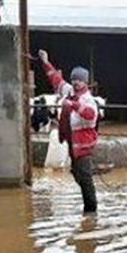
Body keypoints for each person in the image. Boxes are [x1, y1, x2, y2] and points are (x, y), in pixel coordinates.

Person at [38, 49, 99, 214]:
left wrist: (74, 105)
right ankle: (89, 213)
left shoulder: (88, 99)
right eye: (74, 79)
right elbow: (56, 80)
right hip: (72, 142)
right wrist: (45, 61)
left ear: (85, 82)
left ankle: (91, 211)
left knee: (85, 178)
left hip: (83, 145)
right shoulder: (69, 92)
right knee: (76, 173)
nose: (76, 83)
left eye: (79, 80)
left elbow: (91, 115)